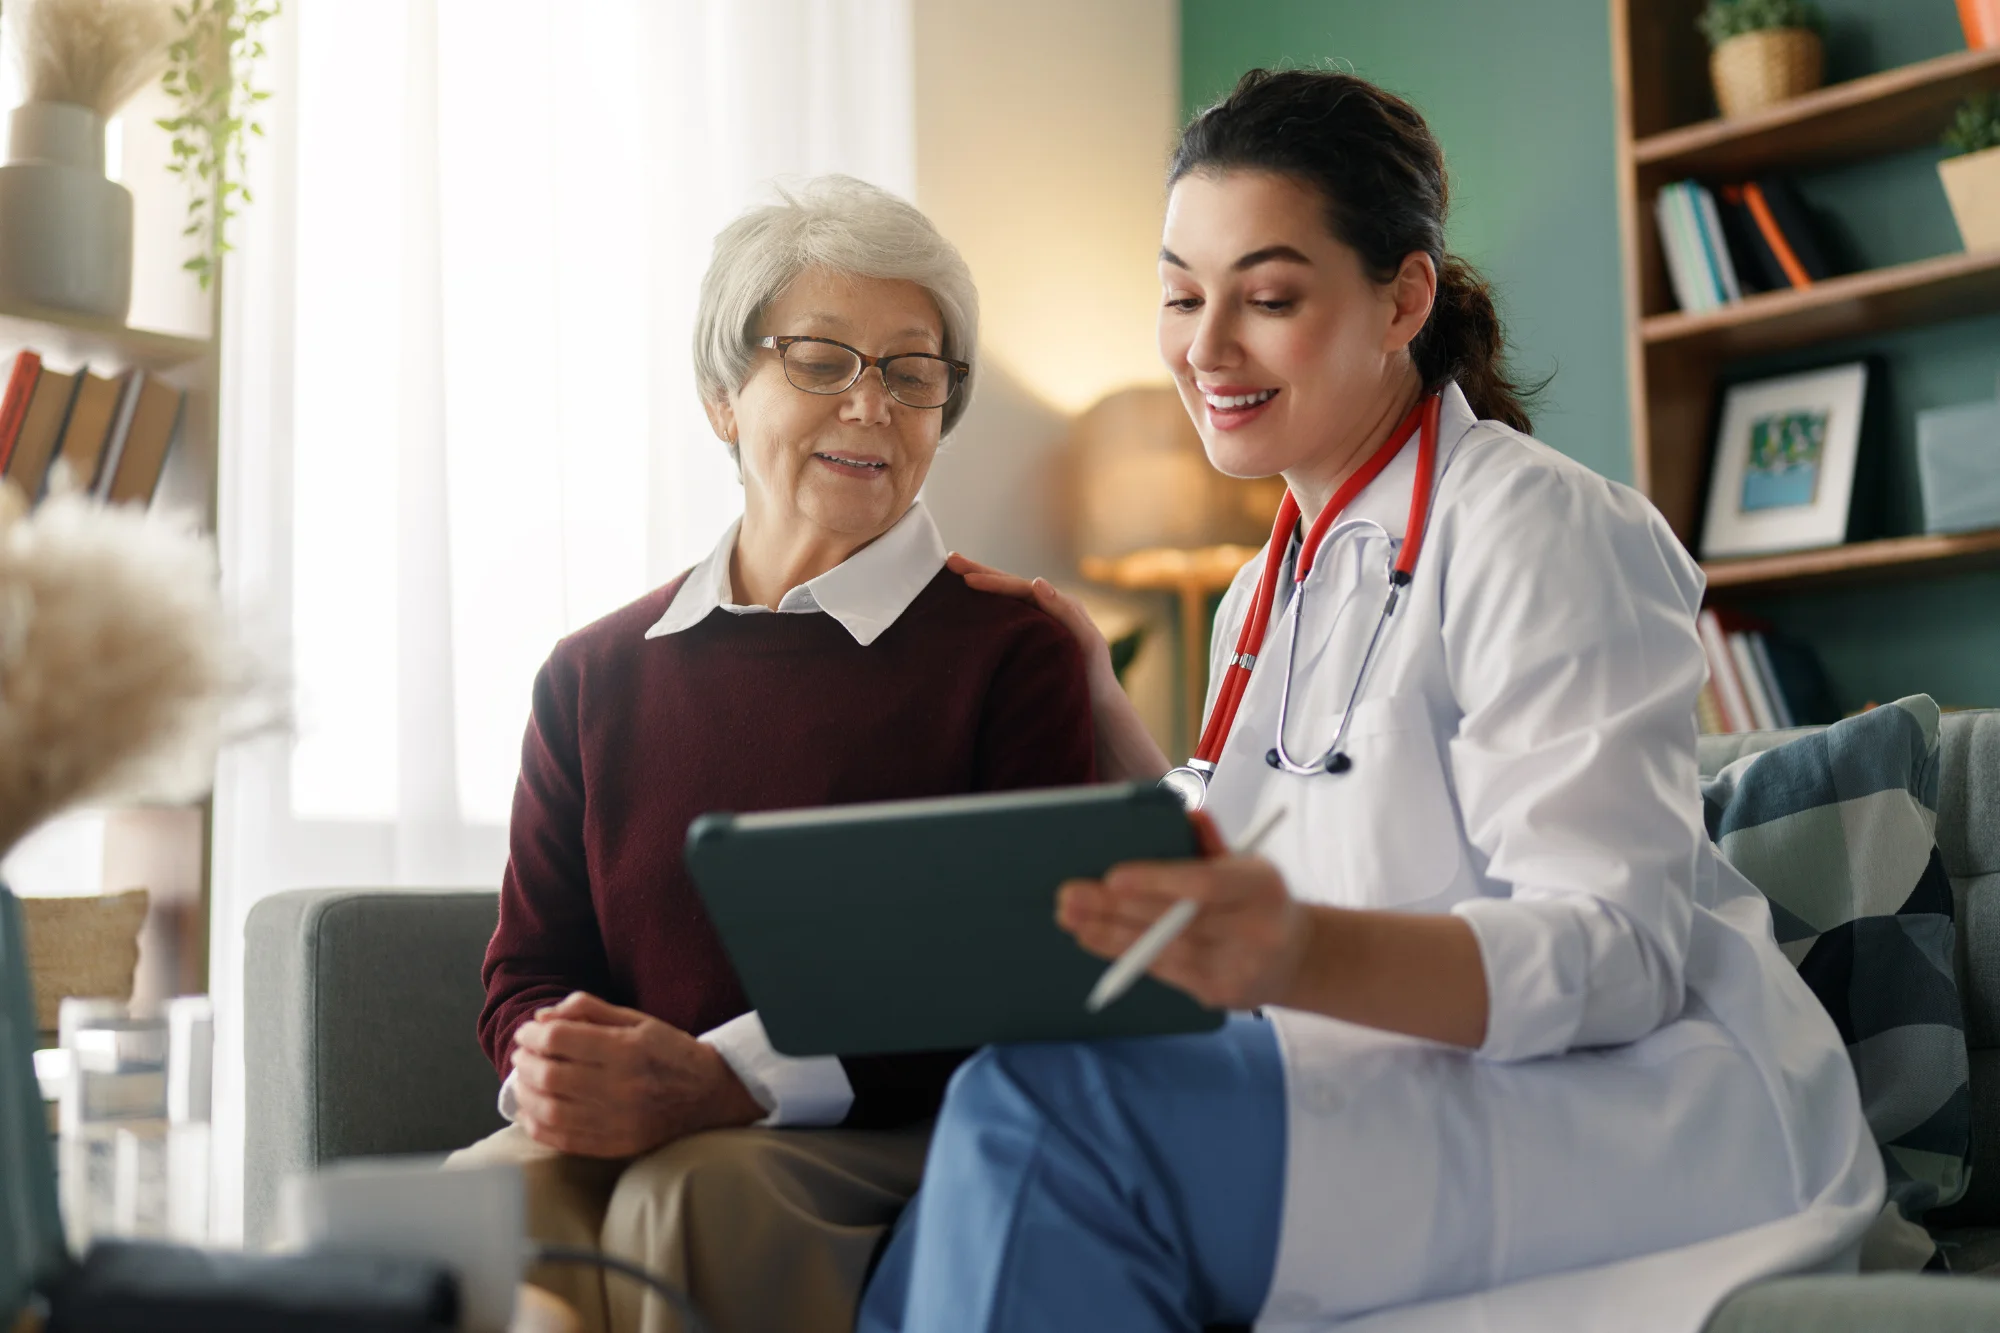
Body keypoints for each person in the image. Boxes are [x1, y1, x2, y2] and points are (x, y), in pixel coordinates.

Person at [856, 69, 1881, 1333]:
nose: (1205, 348)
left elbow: (1618, 955)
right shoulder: (1263, 589)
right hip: (1390, 1071)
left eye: (1267, 298)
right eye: (1179, 296)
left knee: (1049, 1113)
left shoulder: (1536, 527)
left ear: (1403, 299)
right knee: (972, 1149)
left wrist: (1300, 950)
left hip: (1636, 1111)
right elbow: (1262, 820)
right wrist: (1093, 691)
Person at [450, 175, 1095, 1333]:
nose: (870, 404)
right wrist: (558, 1070)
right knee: (489, 1195)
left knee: (695, 1188)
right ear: (720, 397)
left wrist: (733, 1079)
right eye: (821, 359)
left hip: (905, 1129)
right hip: (649, 1132)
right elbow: (529, 968)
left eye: (911, 372)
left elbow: (1009, 975)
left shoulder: (1010, 653)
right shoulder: (592, 673)